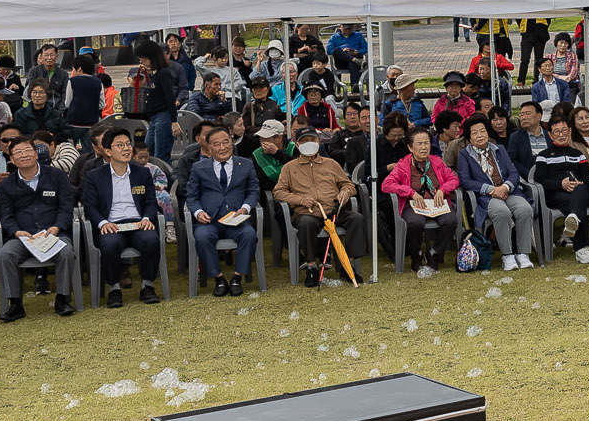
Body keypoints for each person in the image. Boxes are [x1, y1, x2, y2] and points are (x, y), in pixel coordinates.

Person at [0, 136, 79, 320]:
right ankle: (15, 303)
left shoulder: (56, 176)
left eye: (27, 150)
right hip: (23, 237)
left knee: (66, 252)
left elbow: (66, 206)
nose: (24, 155)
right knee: (4, 255)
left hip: (53, 233)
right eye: (18, 152)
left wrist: (57, 227)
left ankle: (63, 298)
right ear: (12, 159)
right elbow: (5, 214)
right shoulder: (7, 185)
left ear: (36, 154)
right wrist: (16, 232)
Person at [80, 128, 164, 307]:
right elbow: (89, 206)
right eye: (120, 145)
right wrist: (103, 223)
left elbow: (150, 201)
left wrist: (147, 218)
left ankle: (147, 286)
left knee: (151, 240)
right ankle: (114, 288)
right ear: (108, 151)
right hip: (112, 225)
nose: (126, 148)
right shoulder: (95, 176)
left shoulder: (141, 173)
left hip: (138, 222)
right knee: (110, 244)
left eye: (127, 144)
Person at [276, 124, 366, 286]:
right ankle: (311, 267)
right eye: (304, 140)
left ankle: (348, 264)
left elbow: (349, 185)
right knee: (305, 223)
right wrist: (299, 200)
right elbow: (279, 192)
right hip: (307, 212)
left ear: (319, 142)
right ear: (297, 144)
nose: (309, 143)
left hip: (333, 209)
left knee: (356, 218)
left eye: (312, 139)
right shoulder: (289, 168)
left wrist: (345, 193)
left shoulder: (331, 164)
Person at [186, 121, 262, 296]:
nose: (223, 147)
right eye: (217, 144)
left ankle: (237, 277)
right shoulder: (198, 168)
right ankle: (219, 279)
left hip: (236, 218)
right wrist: (198, 212)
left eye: (226, 141)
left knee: (249, 235)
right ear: (209, 147)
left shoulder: (246, 164)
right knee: (202, 236)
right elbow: (191, 197)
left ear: (232, 142)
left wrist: (245, 208)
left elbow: (253, 191)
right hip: (209, 220)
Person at [456, 116, 537, 270]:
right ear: (469, 137)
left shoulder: (498, 149)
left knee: (525, 209)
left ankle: (523, 254)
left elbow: (513, 172)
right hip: (486, 197)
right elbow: (465, 180)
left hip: (509, 192)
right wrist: (491, 189)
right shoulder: (465, 155)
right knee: (502, 212)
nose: (480, 135)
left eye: (482, 131)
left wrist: (505, 187)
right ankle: (507, 256)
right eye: (475, 133)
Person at [381, 127, 461, 276]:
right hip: (414, 205)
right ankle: (416, 254)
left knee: (451, 220)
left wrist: (443, 190)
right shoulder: (403, 165)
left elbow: (454, 179)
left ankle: (434, 253)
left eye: (427, 143)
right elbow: (386, 185)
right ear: (410, 147)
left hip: (436, 203)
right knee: (415, 223)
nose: (424, 147)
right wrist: (410, 192)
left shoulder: (437, 162)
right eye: (419, 144)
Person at [528, 116, 589, 263]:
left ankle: (573, 219)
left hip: (578, 192)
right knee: (575, 203)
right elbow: (540, 180)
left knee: (580, 190)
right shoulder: (543, 156)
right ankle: (582, 249)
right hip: (556, 195)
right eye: (556, 132)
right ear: (550, 135)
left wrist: (578, 182)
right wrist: (561, 184)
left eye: (563, 131)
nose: (561, 135)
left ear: (569, 131)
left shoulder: (578, 155)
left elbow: (587, 176)